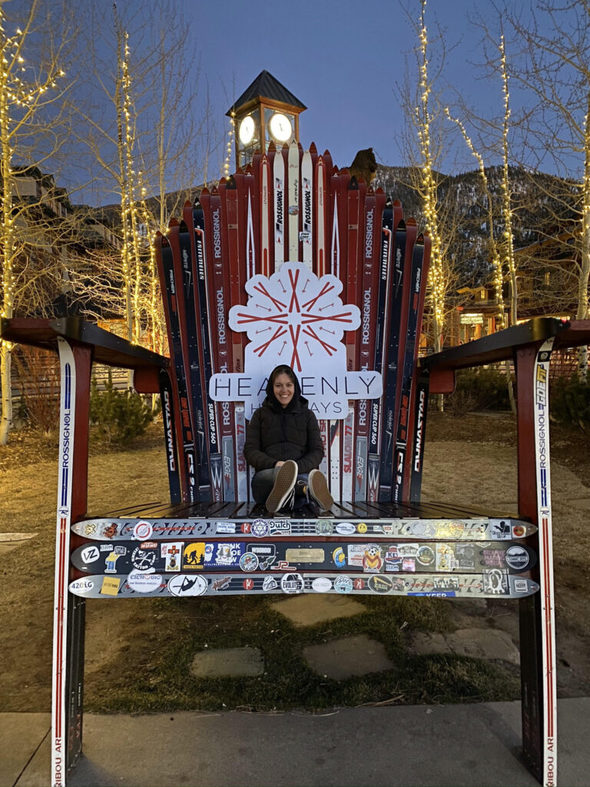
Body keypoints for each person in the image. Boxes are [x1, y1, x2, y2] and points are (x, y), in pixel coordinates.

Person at [244, 364, 334, 513]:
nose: (284, 390)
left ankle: (301, 489)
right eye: (278, 385)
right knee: (271, 478)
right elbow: (250, 451)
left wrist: (295, 468)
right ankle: (307, 490)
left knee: (301, 478)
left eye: (288, 385)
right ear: (271, 388)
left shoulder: (307, 415)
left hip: (300, 472)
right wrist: (276, 465)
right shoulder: (260, 415)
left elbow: (317, 451)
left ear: (295, 387)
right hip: (267, 479)